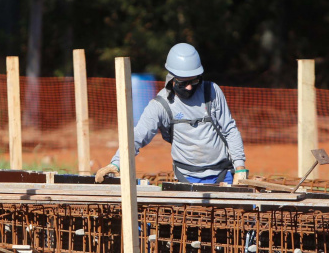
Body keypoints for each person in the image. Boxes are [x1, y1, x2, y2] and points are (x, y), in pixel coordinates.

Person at [95, 43, 248, 185]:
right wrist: (116, 164)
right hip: (187, 177)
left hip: (222, 174)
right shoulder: (161, 105)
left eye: (193, 81)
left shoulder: (212, 92)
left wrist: (240, 168)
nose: (189, 88)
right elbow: (137, 136)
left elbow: (230, 130)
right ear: (172, 77)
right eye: (183, 82)